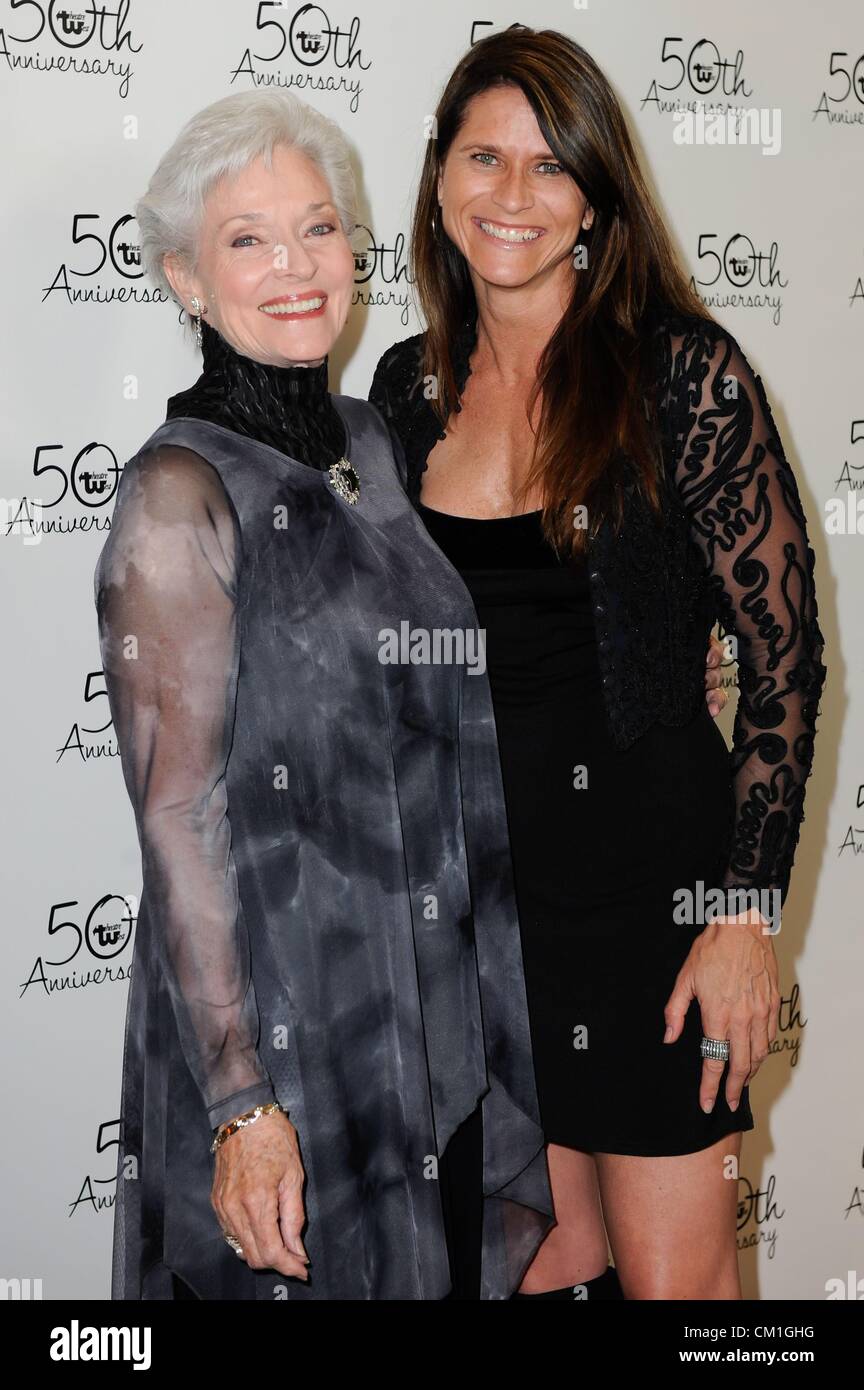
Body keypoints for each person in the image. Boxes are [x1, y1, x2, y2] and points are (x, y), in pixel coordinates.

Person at [369, 27, 826, 1300]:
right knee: (544, 1267)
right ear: (442, 176)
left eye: (549, 168)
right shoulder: (408, 391)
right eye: (484, 157)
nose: (511, 197)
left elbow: (785, 653)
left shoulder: (682, 375)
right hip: (487, 924)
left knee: (679, 1290)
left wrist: (740, 915)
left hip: (653, 913)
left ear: (596, 199)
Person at [95, 88, 554, 1301]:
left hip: (430, 1033)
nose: (297, 267)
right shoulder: (177, 501)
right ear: (186, 277)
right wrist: (244, 1104)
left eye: (319, 228)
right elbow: (178, 819)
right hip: (293, 1046)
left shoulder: (376, 445)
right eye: (249, 240)